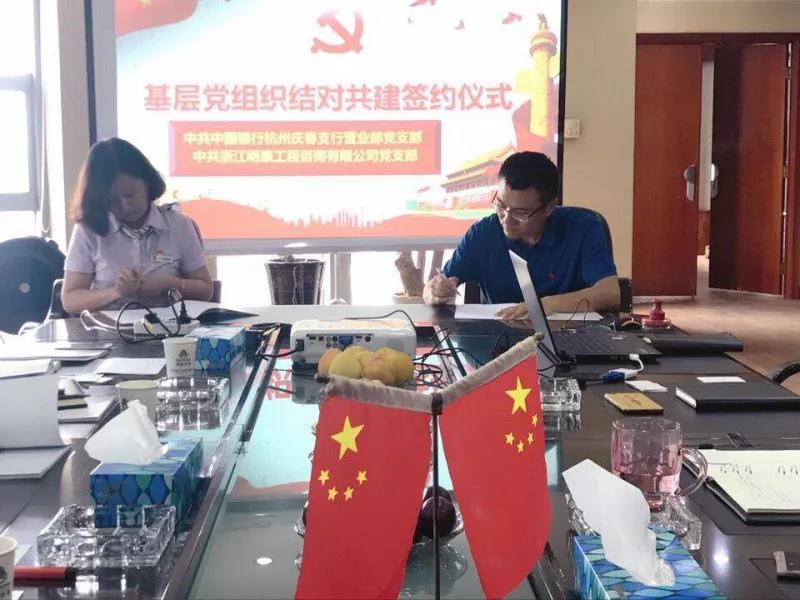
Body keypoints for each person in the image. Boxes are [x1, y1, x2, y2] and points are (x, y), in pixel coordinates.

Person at [424, 151, 619, 319]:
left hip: (569, 337)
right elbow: (434, 287)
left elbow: (610, 293)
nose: (506, 220)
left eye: (521, 213)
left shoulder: (583, 227)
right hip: (500, 338)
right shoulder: (483, 233)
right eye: (501, 205)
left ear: (550, 207)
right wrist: (436, 292)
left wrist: (546, 305)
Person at [62, 137, 213, 313]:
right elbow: (70, 300)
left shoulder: (179, 225)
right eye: (113, 200)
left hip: (170, 327)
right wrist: (116, 291)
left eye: (130, 194)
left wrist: (169, 284)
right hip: (107, 327)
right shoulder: (89, 230)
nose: (126, 206)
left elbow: (206, 290)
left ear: (147, 182)